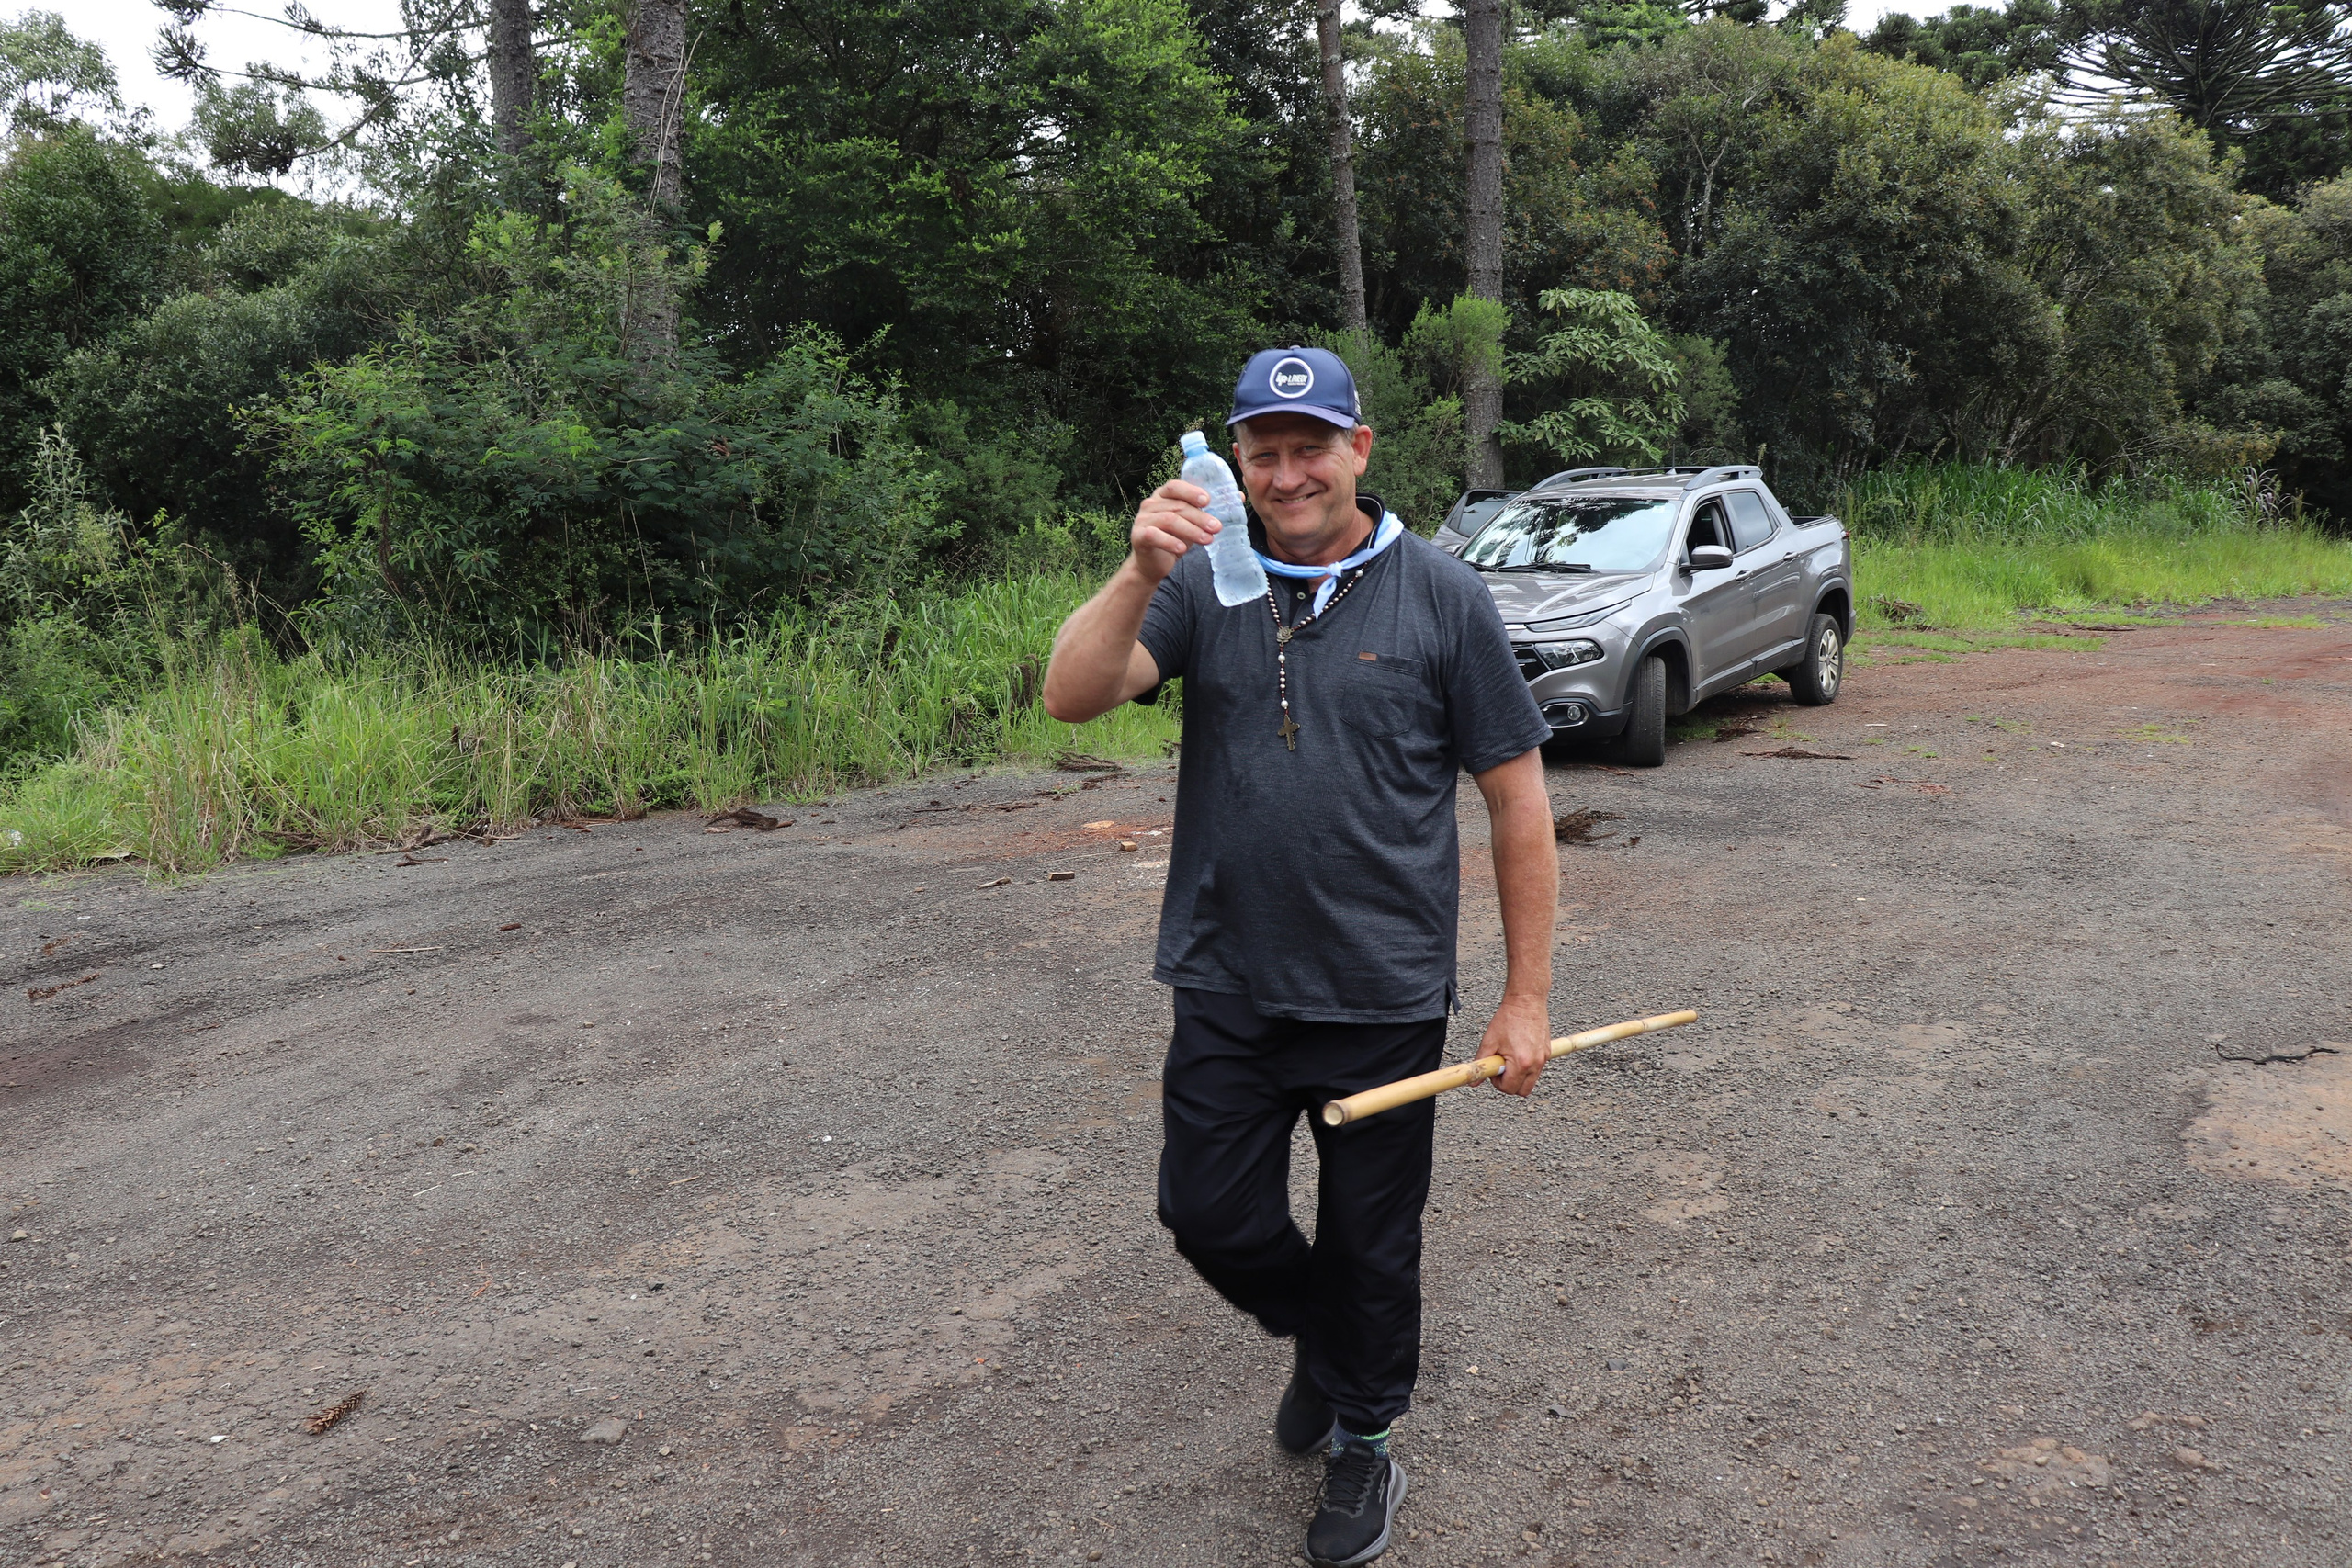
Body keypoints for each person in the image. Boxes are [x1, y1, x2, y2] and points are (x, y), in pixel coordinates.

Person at [1042, 346, 1561, 1567]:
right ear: (1237, 461)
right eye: (1262, 453)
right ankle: (1335, 1353)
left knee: (1374, 1244)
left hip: (1379, 994)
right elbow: (1072, 694)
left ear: (1359, 451)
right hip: (1226, 976)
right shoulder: (1204, 581)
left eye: (1308, 448)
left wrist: (1524, 998)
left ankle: (1364, 1438)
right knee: (1207, 1213)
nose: (1285, 476)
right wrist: (1135, 572)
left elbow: (1518, 799)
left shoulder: (1442, 597)